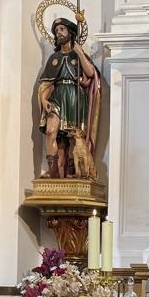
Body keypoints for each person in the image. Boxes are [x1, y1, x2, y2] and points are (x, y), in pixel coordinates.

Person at [35, 16, 102, 180]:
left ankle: (73, 170)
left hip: (74, 97)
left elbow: (90, 73)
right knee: (51, 131)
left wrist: (80, 53)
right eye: (56, 31)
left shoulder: (78, 55)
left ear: (70, 33)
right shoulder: (54, 58)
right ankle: (53, 169)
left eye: (62, 29)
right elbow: (46, 84)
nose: (58, 33)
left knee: (74, 137)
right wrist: (43, 100)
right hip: (57, 96)